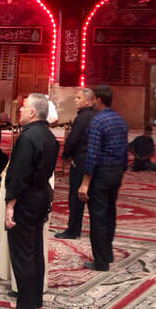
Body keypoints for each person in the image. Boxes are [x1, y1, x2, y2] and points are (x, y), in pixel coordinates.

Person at [4, 93, 58, 309]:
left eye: (24, 107)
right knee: (35, 251)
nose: (21, 110)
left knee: (23, 254)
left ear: (33, 112)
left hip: (25, 200)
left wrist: (10, 205)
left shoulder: (28, 138)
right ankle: (33, 300)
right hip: (40, 197)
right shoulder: (49, 136)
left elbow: (19, 175)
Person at [79, 85, 126, 272]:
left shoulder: (97, 122)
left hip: (101, 174)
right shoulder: (119, 119)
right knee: (110, 213)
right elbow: (124, 151)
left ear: (98, 99)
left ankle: (100, 261)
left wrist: (85, 183)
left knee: (98, 217)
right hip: (116, 172)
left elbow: (92, 155)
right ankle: (107, 253)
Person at [54, 88, 94, 239]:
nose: (75, 100)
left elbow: (73, 139)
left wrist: (66, 155)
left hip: (81, 161)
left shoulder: (82, 118)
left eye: (78, 98)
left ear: (88, 101)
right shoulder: (95, 116)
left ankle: (73, 230)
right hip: (93, 161)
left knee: (75, 197)